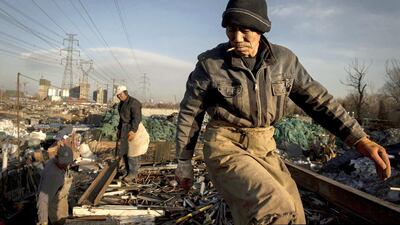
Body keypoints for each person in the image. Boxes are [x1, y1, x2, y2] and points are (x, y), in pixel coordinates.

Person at [175, 0, 391, 224]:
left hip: (265, 147)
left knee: (295, 215)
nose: (237, 38)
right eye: (231, 30)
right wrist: (184, 161)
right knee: (272, 207)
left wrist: (360, 139)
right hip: (225, 147)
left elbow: (319, 101)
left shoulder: (284, 62)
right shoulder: (210, 64)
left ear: (260, 29)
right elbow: (190, 113)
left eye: (245, 30)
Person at [37, 146, 74, 225]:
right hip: (54, 216)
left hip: (61, 207)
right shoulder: (53, 174)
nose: (65, 165)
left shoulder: (58, 164)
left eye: (66, 163)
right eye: (63, 163)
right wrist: (43, 221)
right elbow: (43, 200)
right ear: (57, 158)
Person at [115, 85, 143, 183]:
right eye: (118, 95)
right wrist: (119, 129)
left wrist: (133, 131)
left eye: (120, 94)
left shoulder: (134, 103)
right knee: (125, 151)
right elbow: (121, 119)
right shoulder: (121, 104)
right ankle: (127, 171)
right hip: (124, 128)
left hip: (132, 128)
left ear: (125, 92)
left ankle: (133, 173)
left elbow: (137, 118)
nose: (119, 96)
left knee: (132, 152)